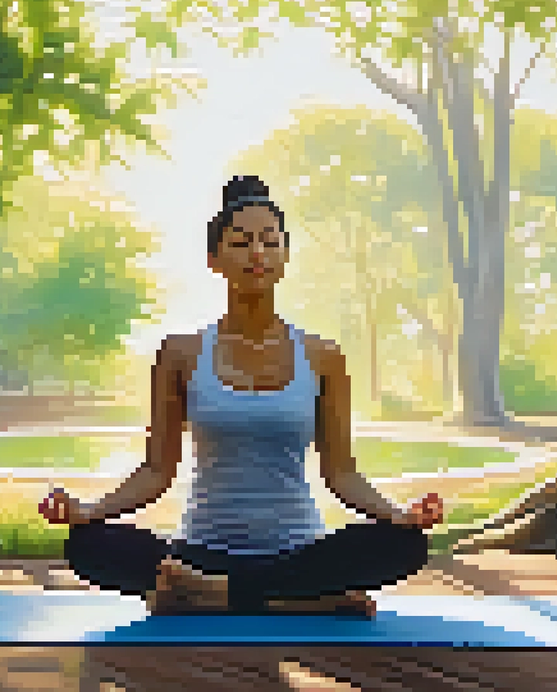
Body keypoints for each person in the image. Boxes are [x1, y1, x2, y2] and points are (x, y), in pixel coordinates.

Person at [38, 175, 443, 617]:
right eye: (241, 242)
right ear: (214, 258)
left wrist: (398, 515)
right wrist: (89, 510)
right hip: (200, 554)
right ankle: (298, 600)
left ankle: (218, 595)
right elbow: (156, 471)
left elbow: (342, 475)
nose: (257, 254)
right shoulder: (180, 354)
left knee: (403, 545)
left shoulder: (323, 357)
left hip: (299, 552)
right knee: (89, 545)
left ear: (286, 257)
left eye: (270, 242)